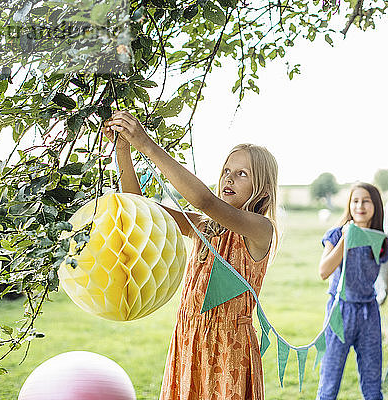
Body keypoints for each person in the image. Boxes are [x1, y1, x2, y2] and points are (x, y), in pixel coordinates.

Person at [104, 111, 278, 400]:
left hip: (228, 353)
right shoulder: (202, 226)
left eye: (242, 174)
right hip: (188, 341)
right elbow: (137, 207)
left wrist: (146, 144)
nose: (230, 178)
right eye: (227, 171)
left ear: (263, 189)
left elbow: (204, 199)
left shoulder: (260, 229)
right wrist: (124, 149)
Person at [316, 182, 388, 400]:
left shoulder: (379, 240)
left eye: (366, 201)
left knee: (372, 386)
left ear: (376, 206)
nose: (360, 206)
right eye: (355, 201)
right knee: (329, 384)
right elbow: (324, 271)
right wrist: (346, 238)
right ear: (349, 205)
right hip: (339, 313)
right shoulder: (335, 235)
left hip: (368, 314)